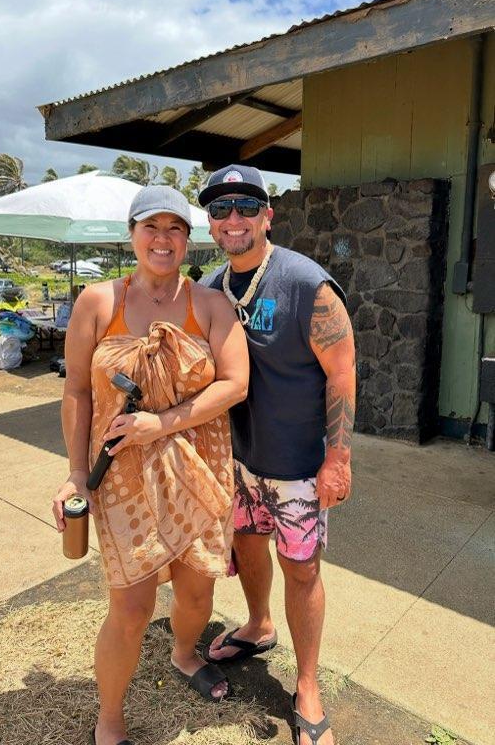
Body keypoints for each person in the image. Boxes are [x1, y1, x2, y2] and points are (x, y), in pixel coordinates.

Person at [52, 185, 249, 745]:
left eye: (175, 229)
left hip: (199, 468)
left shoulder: (210, 305)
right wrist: (75, 472)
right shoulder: (98, 303)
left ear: (188, 240)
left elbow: (236, 383)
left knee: (197, 593)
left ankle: (184, 653)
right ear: (132, 235)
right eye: (151, 227)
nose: (163, 239)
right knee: (132, 606)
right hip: (122, 476)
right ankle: (110, 717)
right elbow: (77, 390)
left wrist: (159, 424)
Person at [198, 165, 356, 745]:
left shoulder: (305, 284)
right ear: (211, 224)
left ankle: (307, 684)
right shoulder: (209, 287)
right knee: (246, 545)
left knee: (302, 568)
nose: (233, 218)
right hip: (237, 460)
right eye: (220, 209)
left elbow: (342, 372)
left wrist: (337, 459)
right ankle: (259, 624)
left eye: (246, 206)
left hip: (297, 466)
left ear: (267, 216)